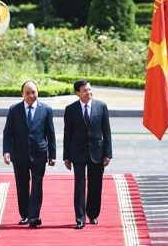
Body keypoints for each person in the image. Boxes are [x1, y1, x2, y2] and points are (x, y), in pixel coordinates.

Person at [2, 81, 56, 227]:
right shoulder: (14, 110)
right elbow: (8, 132)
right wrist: (6, 151)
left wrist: (52, 155)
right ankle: (25, 214)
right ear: (22, 94)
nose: (31, 95)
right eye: (28, 93)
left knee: (37, 185)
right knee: (22, 185)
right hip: (19, 154)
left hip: (39, 153)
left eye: (34, 92)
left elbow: (50, 134)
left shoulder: (46, 109)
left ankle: (34, 216)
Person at [63, 79, 112, 229]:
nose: (88, 92)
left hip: (97, 151)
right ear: (77, 93)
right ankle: (80, 218)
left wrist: (108, 153)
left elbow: (106, 131)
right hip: (77, 151)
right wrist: (66, 156)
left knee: (95, 184)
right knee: (79, 185)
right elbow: (67, 134)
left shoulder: (101, 106)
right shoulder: (70, 109)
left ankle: (93, 214)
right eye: (84, 90)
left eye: (89, 89)